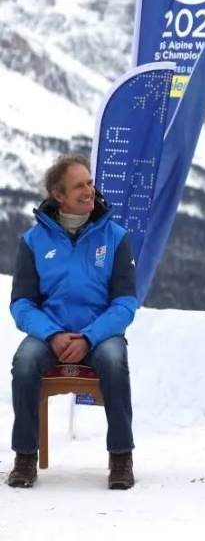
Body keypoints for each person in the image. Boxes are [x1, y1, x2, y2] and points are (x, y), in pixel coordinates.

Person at [7, 153, 138, 490]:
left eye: (90, 183)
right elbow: (21, 304)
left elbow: (125, 303)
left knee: (114, 361)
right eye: (79, 186)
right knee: (24, 362)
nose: (89, 191)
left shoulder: (116, 237)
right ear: (58, 195)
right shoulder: (33, 241)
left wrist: (89, 337)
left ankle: (121, 456)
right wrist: (52, 334)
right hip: (49, 335)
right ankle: (25, 456)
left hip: (100, 334)